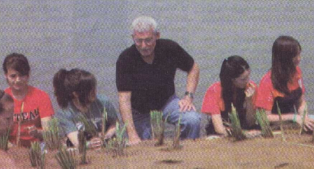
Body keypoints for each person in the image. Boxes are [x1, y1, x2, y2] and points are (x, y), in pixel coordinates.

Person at [116, 16, 202, 144]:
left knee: (192, 120)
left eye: (148, 40)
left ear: (157, 35)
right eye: (139, 41)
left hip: (167, 102)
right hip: (140, 111)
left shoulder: (170, 48)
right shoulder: (125, 59)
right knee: (146, 143)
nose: (144, 46)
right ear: (132, 38)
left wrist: (188, 96)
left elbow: (193, 68)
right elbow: (124, 99)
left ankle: (187, 152)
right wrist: (132, 134)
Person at [255, 36, 314, 132]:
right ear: (285, 58)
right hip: (276, 126)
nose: (299, 59)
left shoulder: (297, 73)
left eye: (299, 54)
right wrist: (294, 117)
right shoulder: (268, 82)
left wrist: (304, 117)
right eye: (295, 56)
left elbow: (301, 102)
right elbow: (264, 118)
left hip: (295, 120)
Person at [52, 68, 121, 149]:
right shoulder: (65, 113)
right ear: (76, 94)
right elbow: (76, 142)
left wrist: (106, 136)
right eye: (90, 90)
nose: (95, 92)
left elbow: (115, 124)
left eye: (94, 88)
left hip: (107, 144)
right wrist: (90, 144)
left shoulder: (103, 102)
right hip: (84, 149)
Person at [2, 53, 55, 147]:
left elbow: (49, 133)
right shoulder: (1, 99)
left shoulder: (41, 96)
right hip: (11, 147)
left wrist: (38, 132)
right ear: (6, 75)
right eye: (13, 76)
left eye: (22, 75)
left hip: (38, 146)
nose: (18, 80)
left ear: (28, 75)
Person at [201, 56, 258, 136]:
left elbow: (251, 122)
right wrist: (243, 133)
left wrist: (248, 101)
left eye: (248, 76)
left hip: (244, 126)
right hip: (224, 130)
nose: (247, 81)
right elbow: (219, 128)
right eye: (243, 79)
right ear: (232, 79)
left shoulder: (251, 87)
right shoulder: (214, 90)